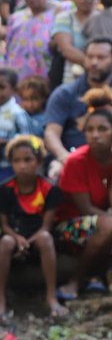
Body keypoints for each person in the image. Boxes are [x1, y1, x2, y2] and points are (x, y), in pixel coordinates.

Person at [0, 135, 66, 318]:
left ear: (39, 161)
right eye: (17, 161)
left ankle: (51, 296)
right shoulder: (4, 190)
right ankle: (0, 298)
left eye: (28, 160)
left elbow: (46, 227)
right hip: (15, 238)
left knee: (45, 238)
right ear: (10, 163)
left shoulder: (49, 189)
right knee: (6, 242)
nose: (22, 166)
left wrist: (28, 242)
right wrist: (18, 240)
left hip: (38, 239)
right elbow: (5, 225)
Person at [52, 105, 112, 299]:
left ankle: (97, 278)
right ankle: (75, 281)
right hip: (68, 224)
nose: (95, 135)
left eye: (102, 129)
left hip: (103, 222)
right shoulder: (76, 161)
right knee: (108, 225)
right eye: (90, 129)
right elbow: (85, 208)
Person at [43, 37, 112, 167]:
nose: (94, 62)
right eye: (90, 57)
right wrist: (65, 157)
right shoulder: (64, 93)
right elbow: (51, 132)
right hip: (70, 160)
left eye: (101, 57)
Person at [1, 0, 61, 81]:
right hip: (18, 80)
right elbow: (7, 50)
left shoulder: (60, 14)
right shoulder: (15, 18)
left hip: (47, 80)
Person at [0, 69, 32, 168]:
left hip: (7, 167)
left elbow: (26, 141)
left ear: (14, 90)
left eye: (1, 87)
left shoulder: (18, 113)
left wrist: (5, 142)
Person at [51, 0, 98, 87]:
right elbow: (66, 49)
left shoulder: (104, 18)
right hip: (71, 80)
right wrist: (95, 64)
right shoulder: (64, 17)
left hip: (100, 80)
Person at [18, 74, 50, 139]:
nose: (30, 104)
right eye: (25, 99)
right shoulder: (18, 115)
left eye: (35, 99)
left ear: (43, 98)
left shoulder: (47, 119)